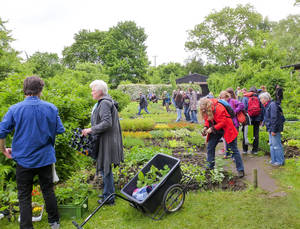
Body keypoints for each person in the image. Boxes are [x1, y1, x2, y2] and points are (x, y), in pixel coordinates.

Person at [0, 76, 64, 229]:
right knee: (48, 190)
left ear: (25, 89)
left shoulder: (15, 109)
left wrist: (3, 150)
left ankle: (26, 227)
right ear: (41, 89)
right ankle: (54, 223)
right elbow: (59, 130)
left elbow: (1, 132)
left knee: (24, 195)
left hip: (23, 159)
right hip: (45, 158)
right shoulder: (51, 108)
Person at [82, 80, 123, 205]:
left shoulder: (104, 103)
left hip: (108, 141)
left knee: (106, 168)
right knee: (107, 168)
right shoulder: (105, 101)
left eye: (93, 90)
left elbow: (107, 123)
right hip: (108, 139)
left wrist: (90, 129)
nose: (91, 93)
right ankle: (107, 193)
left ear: (100, 91)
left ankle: (109, 198)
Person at [199, 97, 245, 178]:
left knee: (233, 149)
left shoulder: (219, 107)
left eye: (204, 109)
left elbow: (223, 122)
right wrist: (206, 127)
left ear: (207, 106)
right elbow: (207, 119)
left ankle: (240, 170)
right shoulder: (206, 110)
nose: (203, 111)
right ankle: (210, 168)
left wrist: (212, 128)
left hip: (226, 128)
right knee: (210, 147)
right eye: (202, 110)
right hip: (216, 129)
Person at [259, 92, 285, 166]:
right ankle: (273, 160)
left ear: (265, 99)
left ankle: (280, 161)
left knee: (276, 145)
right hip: (270, 128)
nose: (260, 100)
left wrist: (274, 130)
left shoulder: (272, 105)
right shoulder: (267, 105)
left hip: (275, 128)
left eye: (261, 98)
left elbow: (274, 118)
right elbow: (267, 116)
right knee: (271, 145)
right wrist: (263, 123)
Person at [220, 90, 245, 158]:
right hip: (226, 124)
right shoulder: (222, 103)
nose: (221, 98)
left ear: (226, 96)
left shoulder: (233, 101)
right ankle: (228, 153)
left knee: (234, 140)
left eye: (222, 97)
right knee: (227, 138)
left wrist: (235, 111)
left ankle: (234, 155)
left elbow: (242, 105)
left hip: (234, 123)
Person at [241, 86, 264, 155]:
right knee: (256, 134)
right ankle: (255, 150)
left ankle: (245, 150)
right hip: (257, 118)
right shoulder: (259, 98)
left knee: (247, 133)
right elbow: (262, 109)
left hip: (248, 119)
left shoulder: (245, 98)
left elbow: (243, 108)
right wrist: (261, 119)